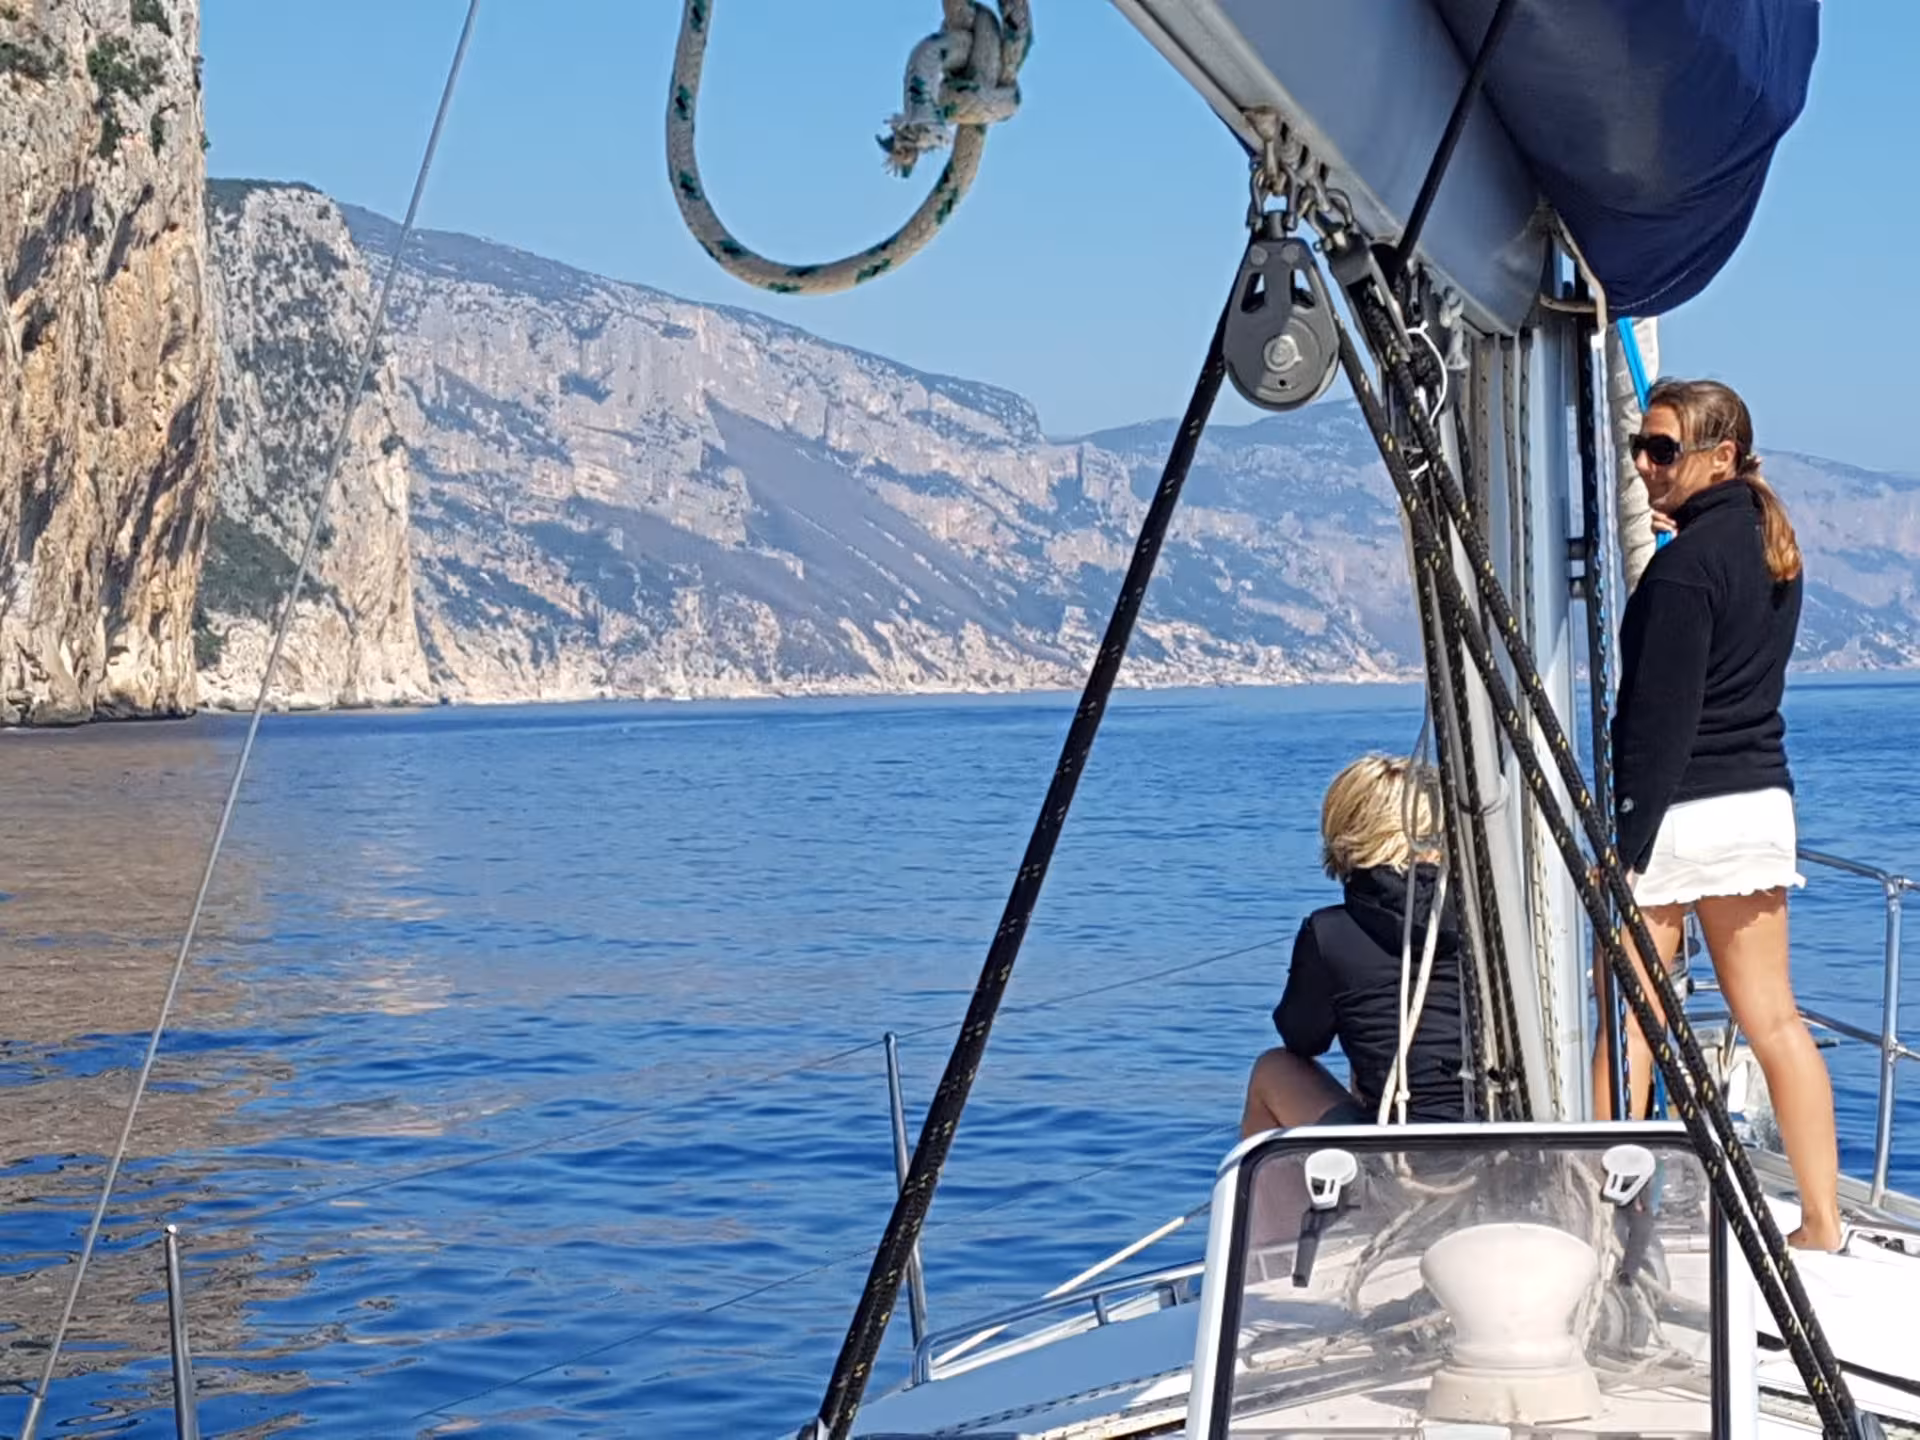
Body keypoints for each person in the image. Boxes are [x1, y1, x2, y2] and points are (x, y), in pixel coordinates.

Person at [1594, 377, 1842, 1251]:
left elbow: (1659, 720)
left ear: (1719, 456)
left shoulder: (1684, 568)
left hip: (1681, 809)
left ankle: (1606, 1217)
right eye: (1640, 448)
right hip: (1760, 803)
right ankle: (1823, 1220)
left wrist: (1622, 847)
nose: (1644, 465)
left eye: (1662, 450)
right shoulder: (1771, 548)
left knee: (1629, 1017)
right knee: (1774, 1019)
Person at [1240, 754, 1468, 1138]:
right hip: (1502, 1138)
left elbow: (1302, 1038)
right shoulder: (1485, 922)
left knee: (1273, 1069)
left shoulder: (1330, 934)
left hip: (1394, 1153)